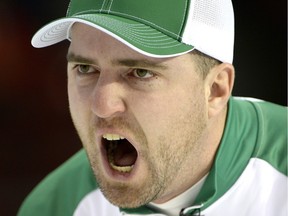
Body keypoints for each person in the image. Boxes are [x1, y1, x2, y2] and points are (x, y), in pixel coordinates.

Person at [18, 0, 287, 215]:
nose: (102, 105)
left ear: (216, 90)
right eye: (85, 68)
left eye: (140, 72)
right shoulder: (55, 206)